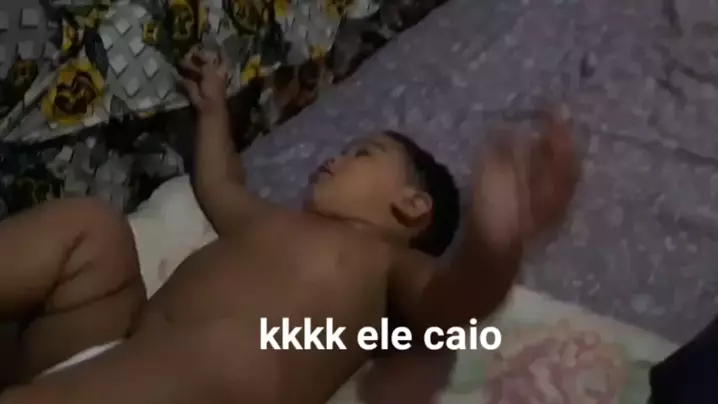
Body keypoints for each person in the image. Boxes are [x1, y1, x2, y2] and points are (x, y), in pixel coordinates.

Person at [0, 47, 580, 404]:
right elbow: (220, 186)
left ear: (411, 205)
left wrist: (497, 243)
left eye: (363, 153)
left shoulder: (388, 266)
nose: (333, 158)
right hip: (106, 361)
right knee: (91, 228)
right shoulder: (269, 222)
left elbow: (454, 304)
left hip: (205, 388)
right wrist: (212, 111)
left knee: (231, 354)